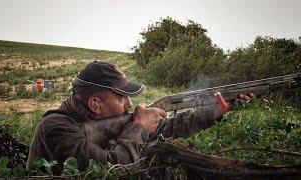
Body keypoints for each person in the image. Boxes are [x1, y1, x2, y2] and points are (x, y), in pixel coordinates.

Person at [27, 61, 253, 174]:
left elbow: (169, 127)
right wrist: (139, 127)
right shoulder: (56, 128)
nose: (129, 104)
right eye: (122, 98)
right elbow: (112, 169)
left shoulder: (109, 119)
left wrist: (215, 111)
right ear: (95, 104)